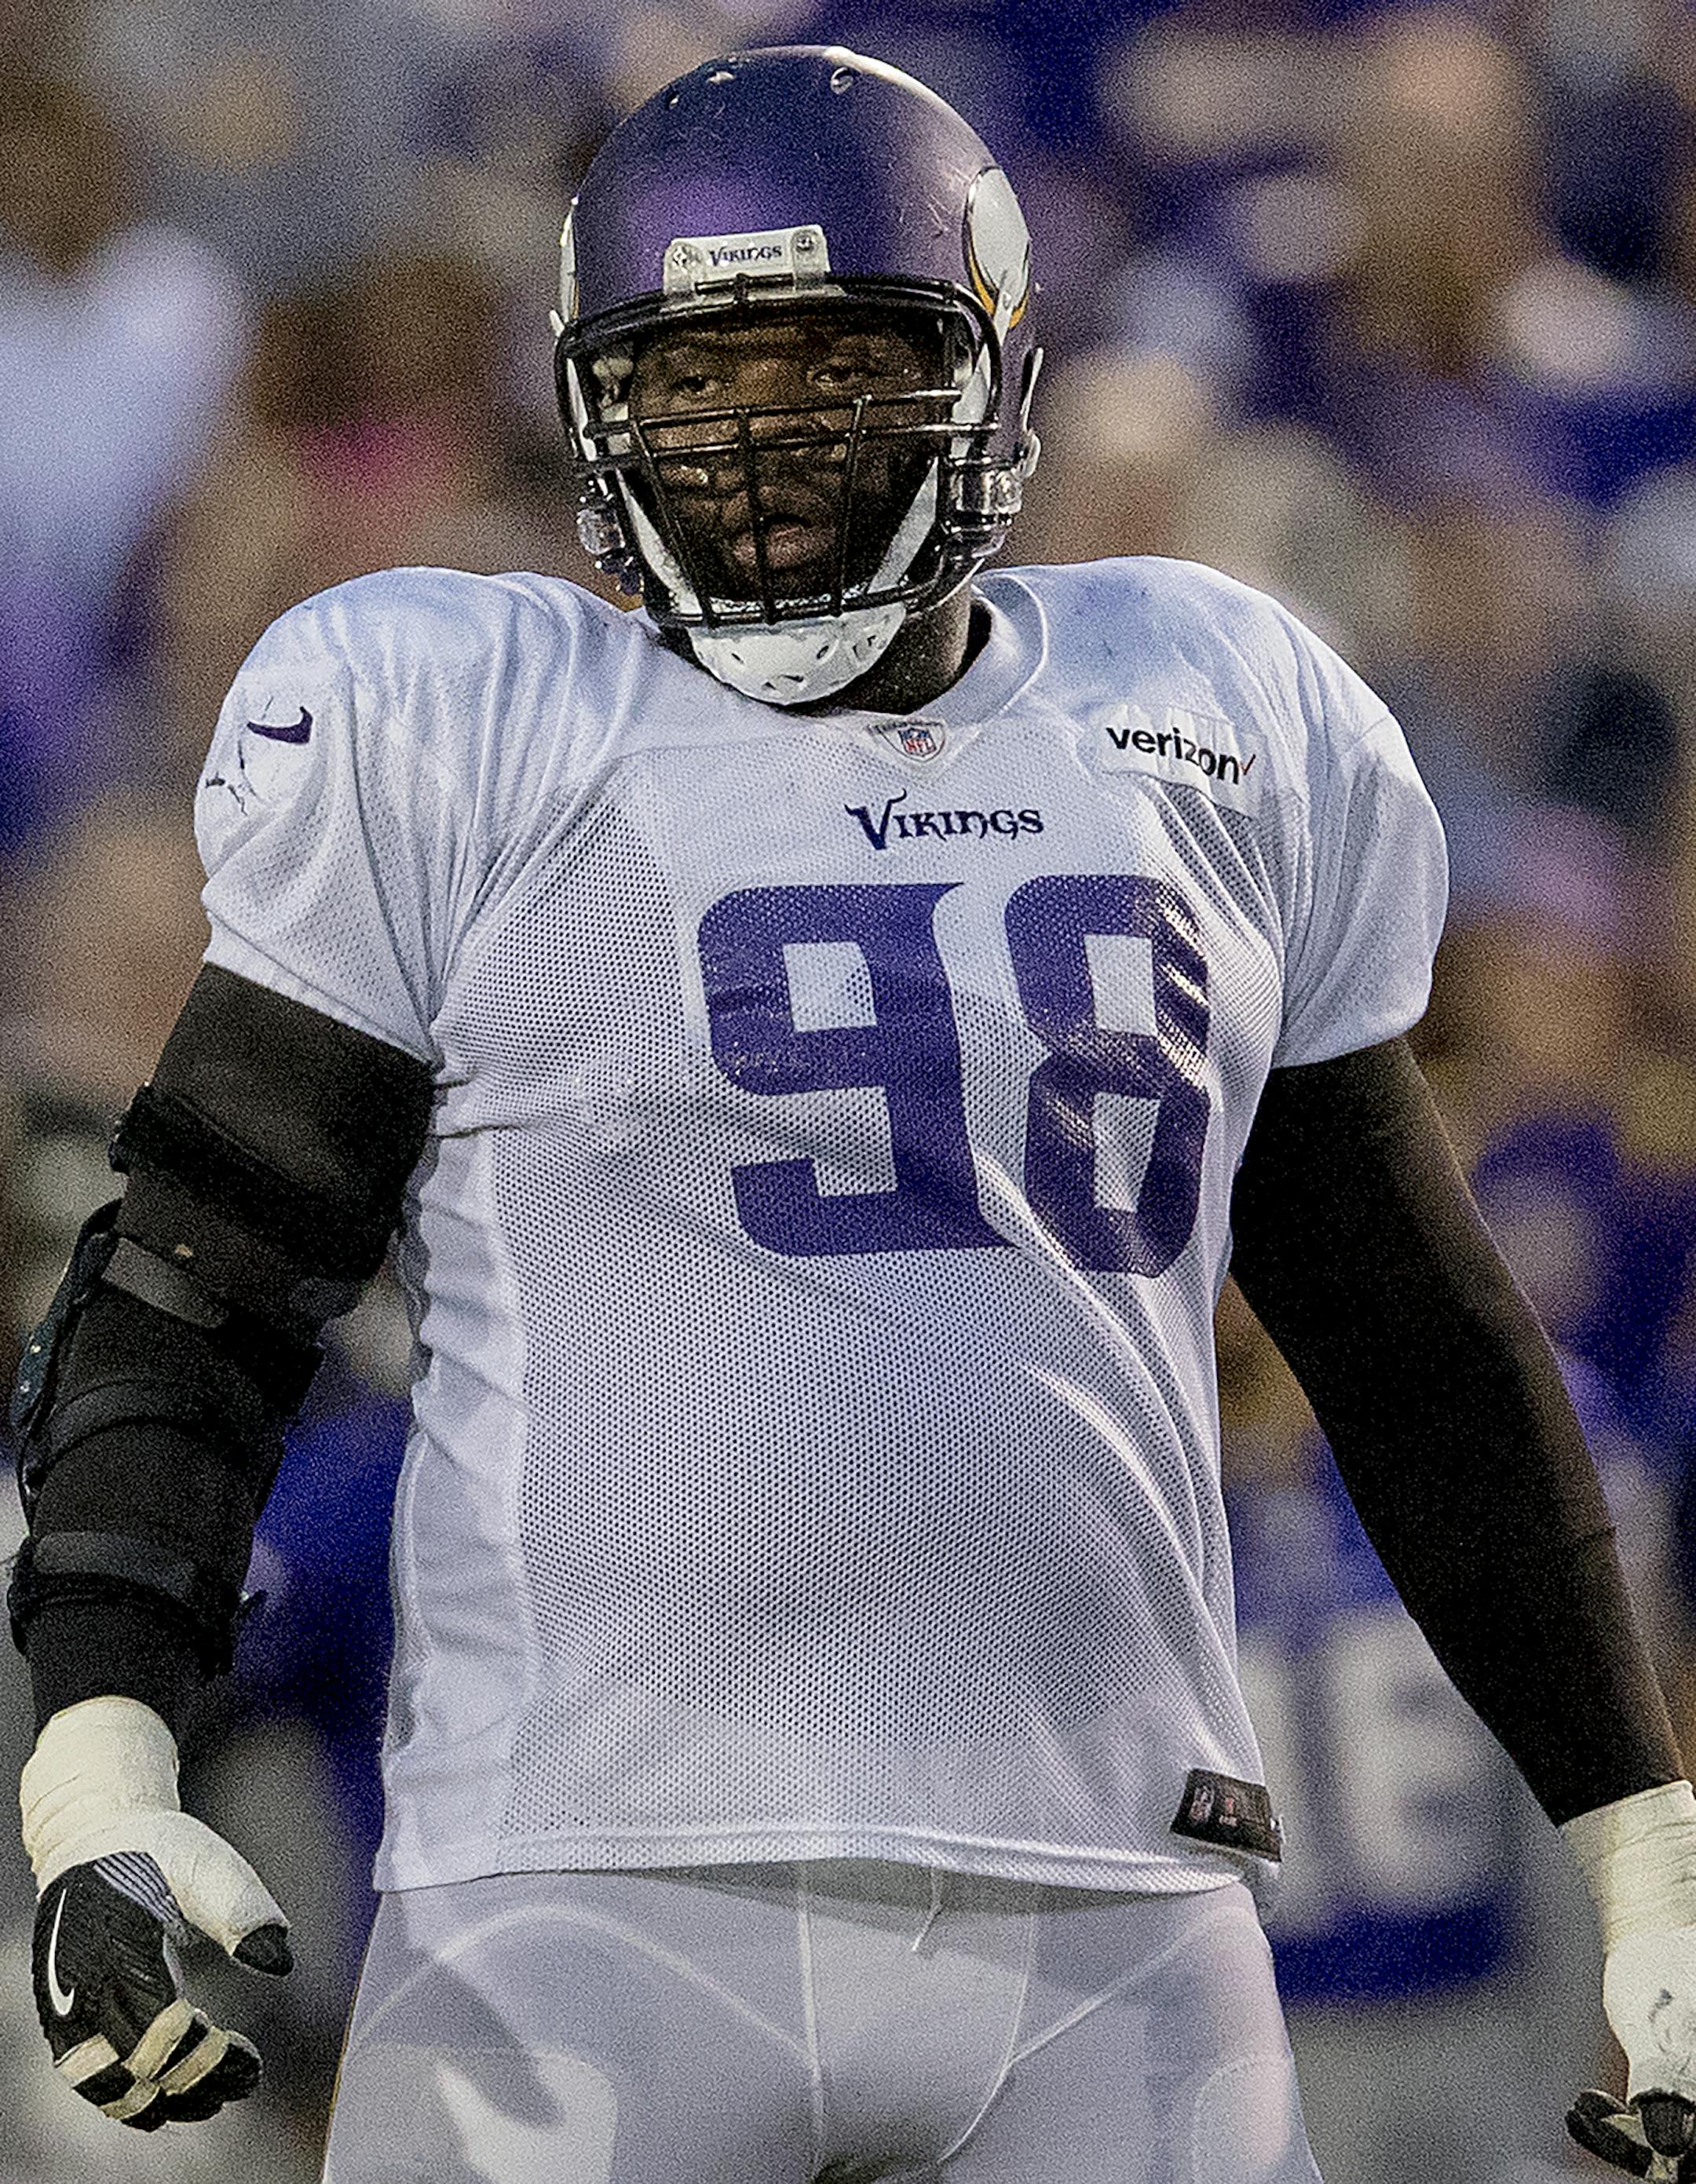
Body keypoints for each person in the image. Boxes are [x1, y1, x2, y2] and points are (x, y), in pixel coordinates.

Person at [9, 46, 1696, 2184]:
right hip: (583, 1886)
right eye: (695, 386)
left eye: (834, 372)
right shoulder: (468, 718)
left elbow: (1414, 1336)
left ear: (992, 367)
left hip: (1116, 1901)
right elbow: (203, 1270)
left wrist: (1645, 1847)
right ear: (592, 404)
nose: (765, 454)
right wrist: (100, 1767)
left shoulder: (1210, 710)